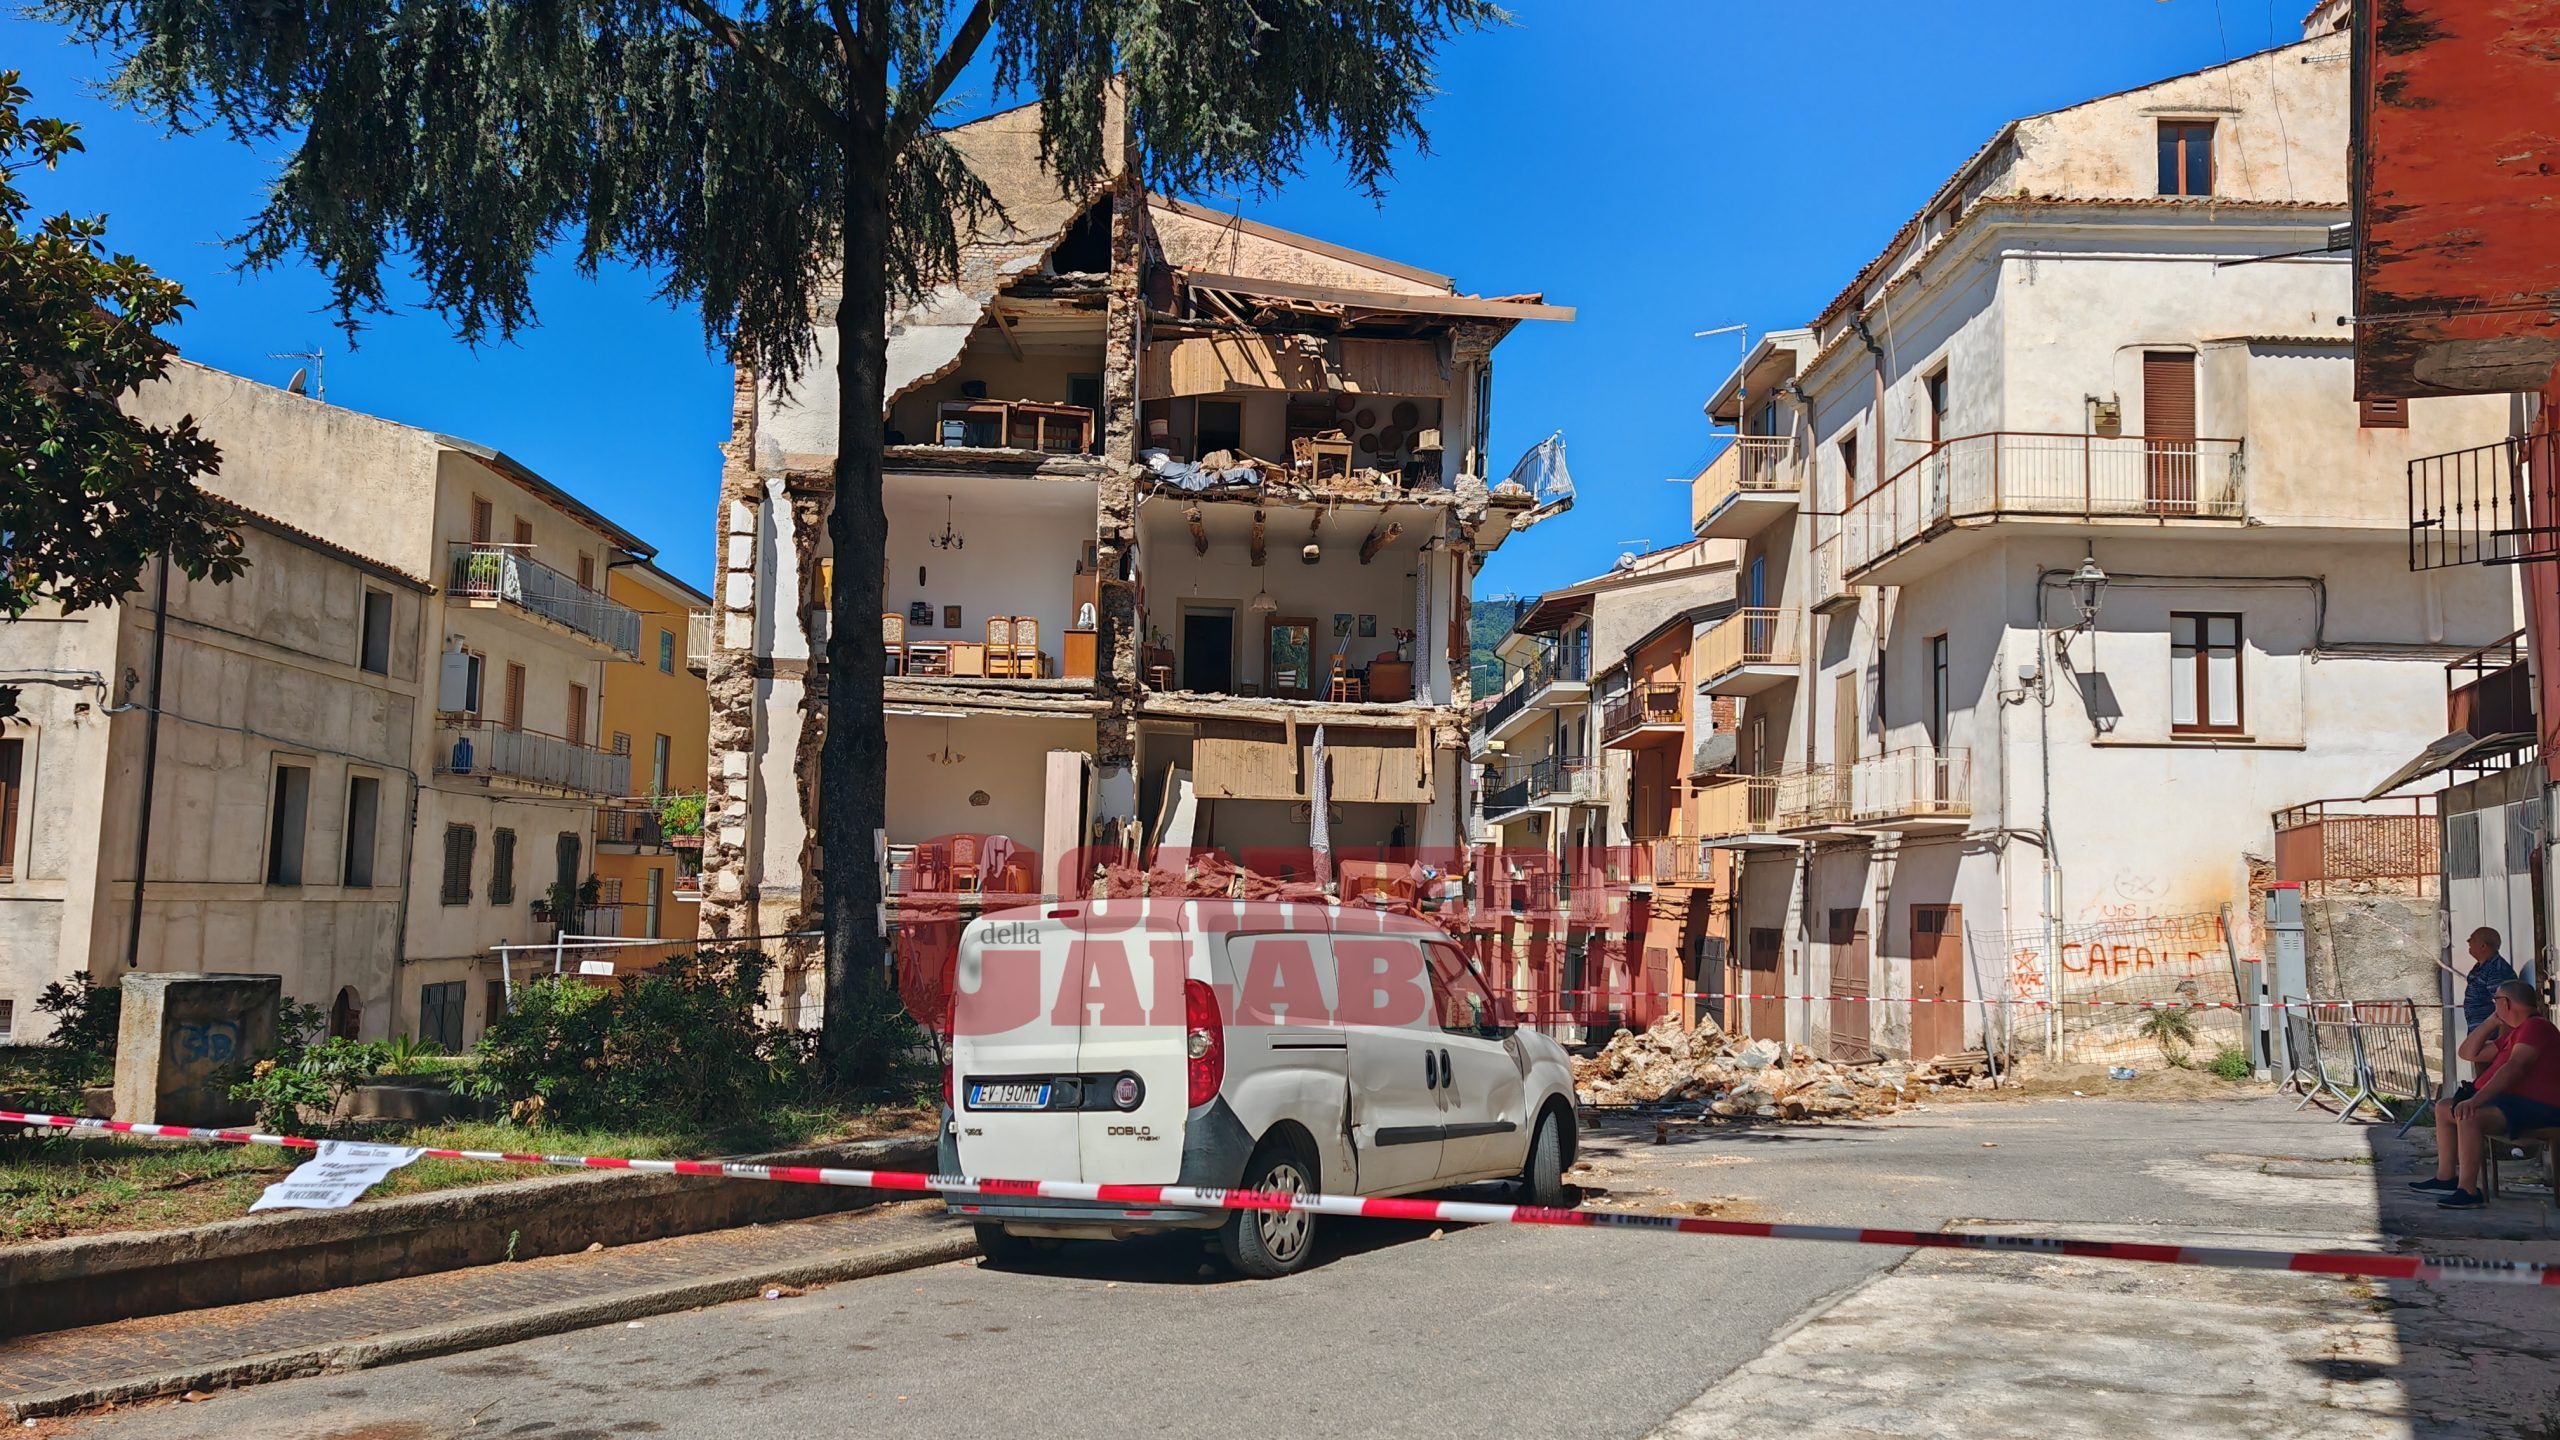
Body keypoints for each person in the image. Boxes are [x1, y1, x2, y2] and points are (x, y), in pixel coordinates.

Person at [2435, 981, 2560, 1210]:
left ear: (2506, 1003)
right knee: (2444, 1107)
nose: (2494, 1006)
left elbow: (2514, 1068)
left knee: (2470, 1115)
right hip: (2515, 1105)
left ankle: (2468, 1190)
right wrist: (2491, 1021)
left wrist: (2476, 1100)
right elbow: (2468, 1053)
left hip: (2539, 1107)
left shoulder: (2536, 1027)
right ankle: (2445, 1178)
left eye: (2496, 1001)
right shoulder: (2516, 1033)